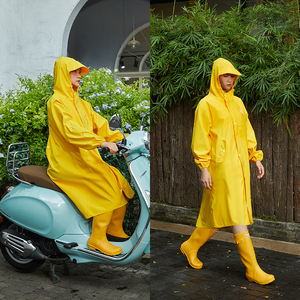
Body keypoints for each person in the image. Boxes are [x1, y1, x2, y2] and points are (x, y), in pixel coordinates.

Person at [180, 58, 275, 285]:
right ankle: (252, 269)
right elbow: (201, 138)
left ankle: (190, 246)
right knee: (236, 214)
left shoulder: (238, 103)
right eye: (226, 76)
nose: (230, 80)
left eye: (233, 76)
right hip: (220, 168)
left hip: (240, 167)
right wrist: (204, 168)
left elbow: (246, 132)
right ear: (216, 77)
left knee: (217, 214)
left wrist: (255, 157)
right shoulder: (206, 104)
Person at [46, 56, 134, 256]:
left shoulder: (81, 103)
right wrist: (102, 142)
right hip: (67, 162)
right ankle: (97, 238)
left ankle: (113, 229)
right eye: (75, 72)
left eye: (80, 72)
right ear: (63, 74)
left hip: (86, 158)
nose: (79, 76)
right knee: (107, 190)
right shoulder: (57, 102)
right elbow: (71, 131)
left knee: (120, 183)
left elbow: (100, 124)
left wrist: (123, 138)